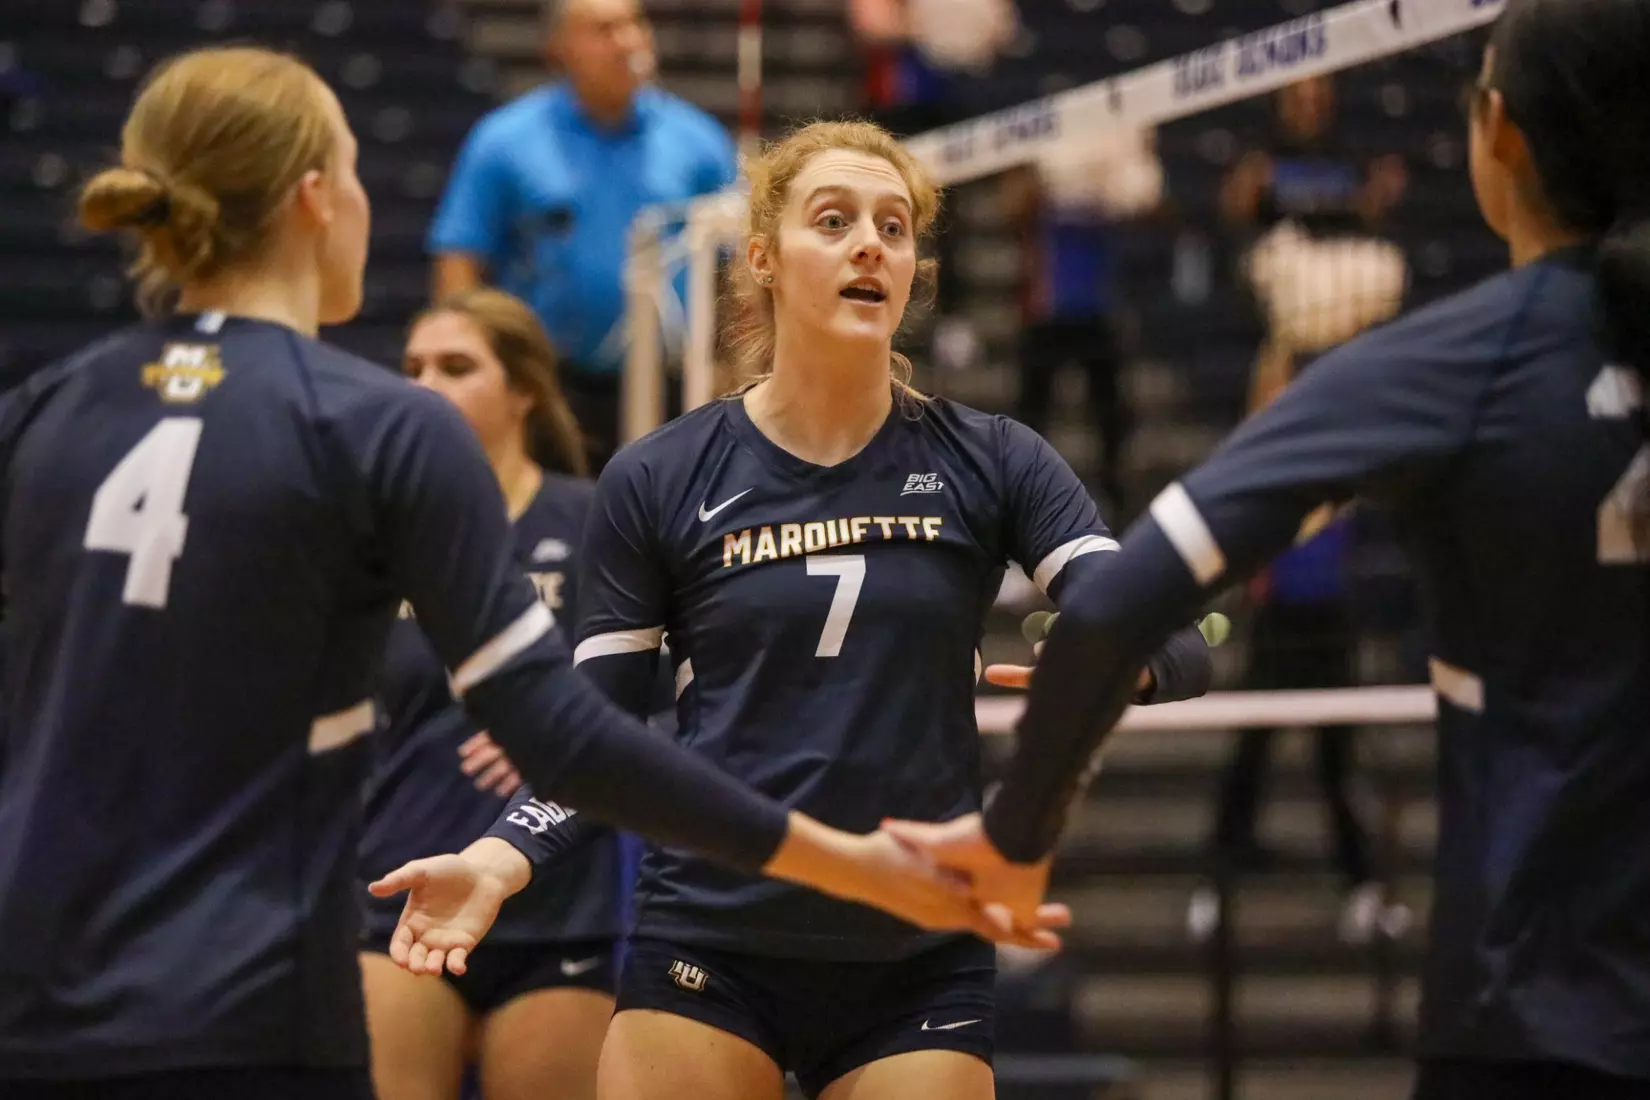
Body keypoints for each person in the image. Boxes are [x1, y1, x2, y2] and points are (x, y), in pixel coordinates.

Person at [0, 46, 1061, 1100]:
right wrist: (843, 859)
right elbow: (570, 729)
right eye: (362, 170)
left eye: (892, 227)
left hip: (40, 974)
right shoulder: (381, 429)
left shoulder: (42, 408)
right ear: (318, 198)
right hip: (255, 985)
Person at [890, 2, 1650, 1097]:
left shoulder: (1458, 361)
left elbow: (1117, 605)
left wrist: (1015, 834)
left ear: (1500, 132)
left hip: (1539, 1014)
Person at [384, 118, 1210, 1100]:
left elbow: (1177, 634)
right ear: (765, 259)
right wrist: (498, 856)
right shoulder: (661, 472)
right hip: (709, 935)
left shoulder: (994, 458)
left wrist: (1122, 655)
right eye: (835, 219)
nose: (871, 243)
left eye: (895, 228)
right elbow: (593, 729)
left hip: (916, 946)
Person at [357, 289, 626, 1100]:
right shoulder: (370, 538)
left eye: (456, 366)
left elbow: (648, 701)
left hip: (557, 911)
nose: (425, 384)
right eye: (412, 368)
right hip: (396, 898)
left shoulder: (593, 523)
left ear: (523, 393)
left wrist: (556, 730)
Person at [429, 0, 738, 470]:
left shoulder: (698, 141)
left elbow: (738, 265)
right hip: (550, 385)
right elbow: (460, 260)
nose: (628, 42)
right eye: (604, 29)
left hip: (674, 385)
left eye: (635, 24)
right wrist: (463, 370)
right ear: (560, 47)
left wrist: (733, 366)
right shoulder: (504, 141)